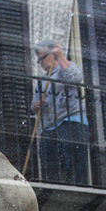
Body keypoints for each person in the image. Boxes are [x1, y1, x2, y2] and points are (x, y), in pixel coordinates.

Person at [32, 40, 89, 186]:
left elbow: (75, 78)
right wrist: (37, 105)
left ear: (52, 55)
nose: (41, 63)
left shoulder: (67, 68)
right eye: (39, 60)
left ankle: (77, 189)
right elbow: (34, 104)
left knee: (73, 162)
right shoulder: (42, 81)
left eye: (43, 58)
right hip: (50, 127)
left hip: (70, 121)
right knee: (49, 162)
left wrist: (61, 56)